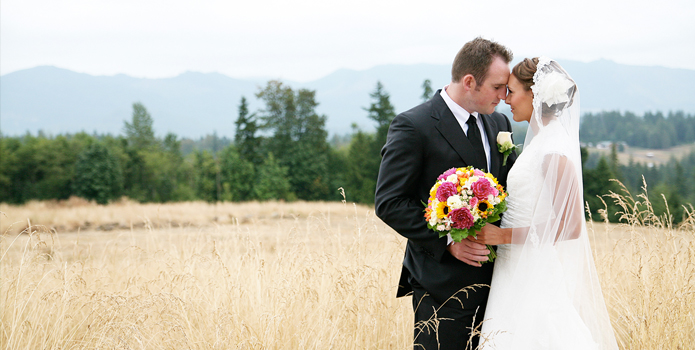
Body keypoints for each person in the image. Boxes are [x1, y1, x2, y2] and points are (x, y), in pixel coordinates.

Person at [375, 37, 518, 349]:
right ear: (469, 81)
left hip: (501, 288)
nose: (504, 96)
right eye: (497, 87)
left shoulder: (499, 122)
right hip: (441, 287)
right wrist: (449, 241)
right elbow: (390, 202)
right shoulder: (414, 125)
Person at [476, 57, 619, 349]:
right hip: (513, 266)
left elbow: (571, 226)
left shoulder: (554, 150)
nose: (506, 100)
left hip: (533, 272)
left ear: (534, 95)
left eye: (512, 92)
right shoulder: (540, 142)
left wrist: (502, 235)